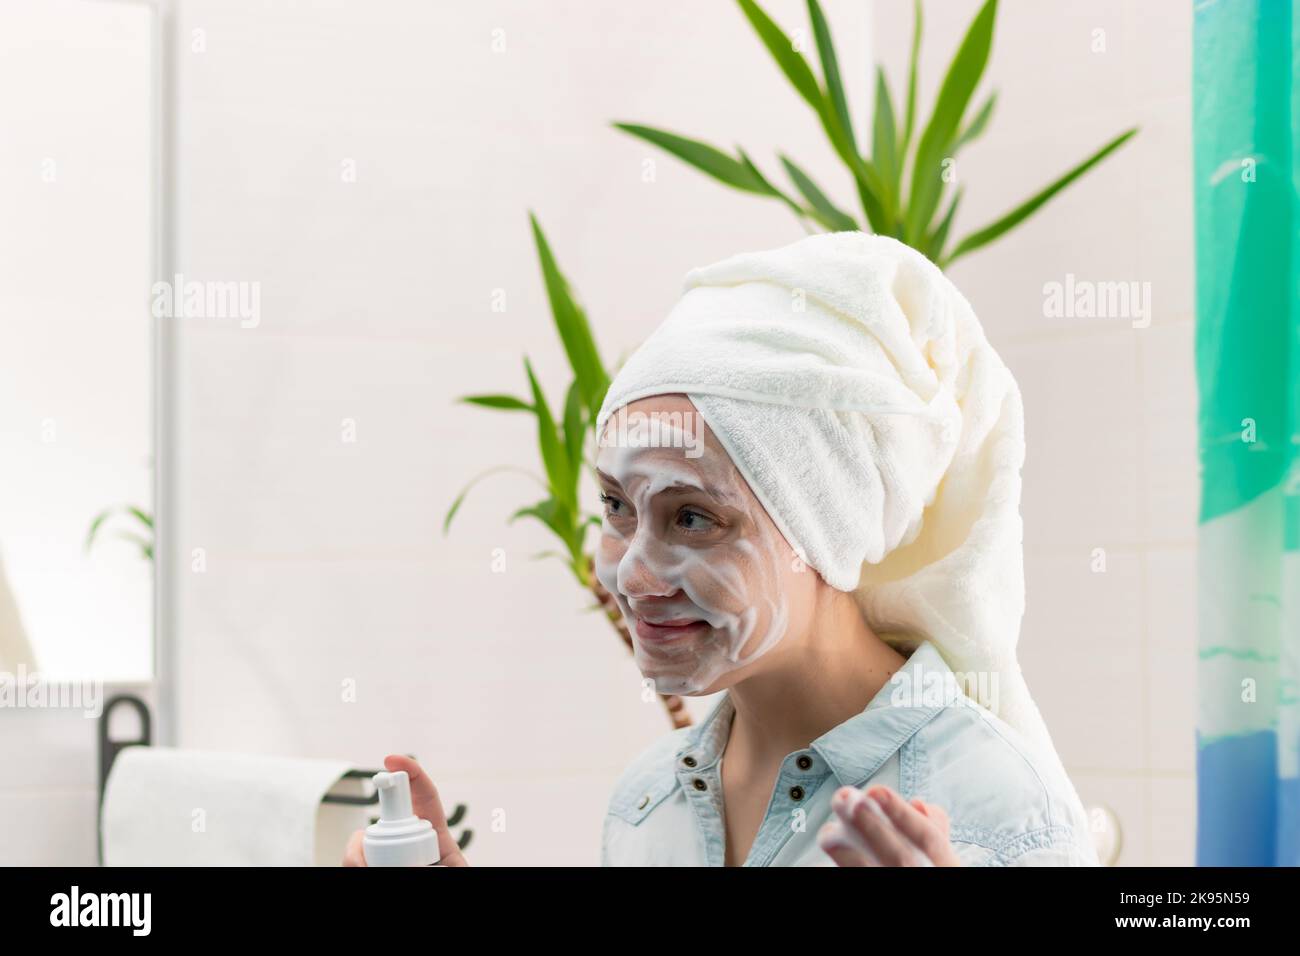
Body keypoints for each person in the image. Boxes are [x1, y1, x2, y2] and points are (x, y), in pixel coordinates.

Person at [344, 231, 1100, 867]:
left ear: (824, 531)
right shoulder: (649, 804)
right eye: (616, 507)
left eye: (694, 518)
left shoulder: (995, 807)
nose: (632, 574)